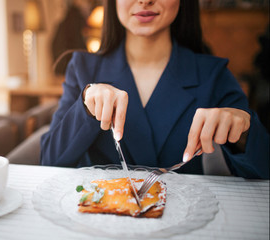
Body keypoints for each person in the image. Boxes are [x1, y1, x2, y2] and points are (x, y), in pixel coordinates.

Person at [41, 0, 269, 179]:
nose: (145, 0)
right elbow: (49, 162)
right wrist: (85, 107)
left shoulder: (213, 74)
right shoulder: (82, 68)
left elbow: (263, 170)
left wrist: (245, 132)